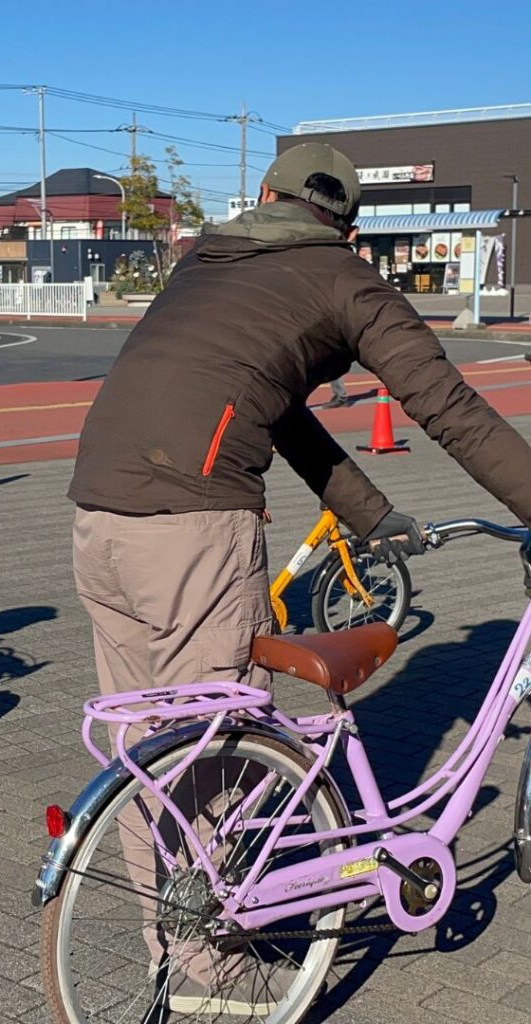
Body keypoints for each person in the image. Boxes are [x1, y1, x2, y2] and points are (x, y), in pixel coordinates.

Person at [68, 142, 531, 1020]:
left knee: (146, 751)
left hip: (97, 512)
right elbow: (451, 410)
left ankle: (171, 943)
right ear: (346, 227)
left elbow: (275, 410)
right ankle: (212, 964)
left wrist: (370, 515)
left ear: (266, 197)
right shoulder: (342, 278)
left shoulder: (210, 260)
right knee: (212, 746)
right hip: (190, 521)